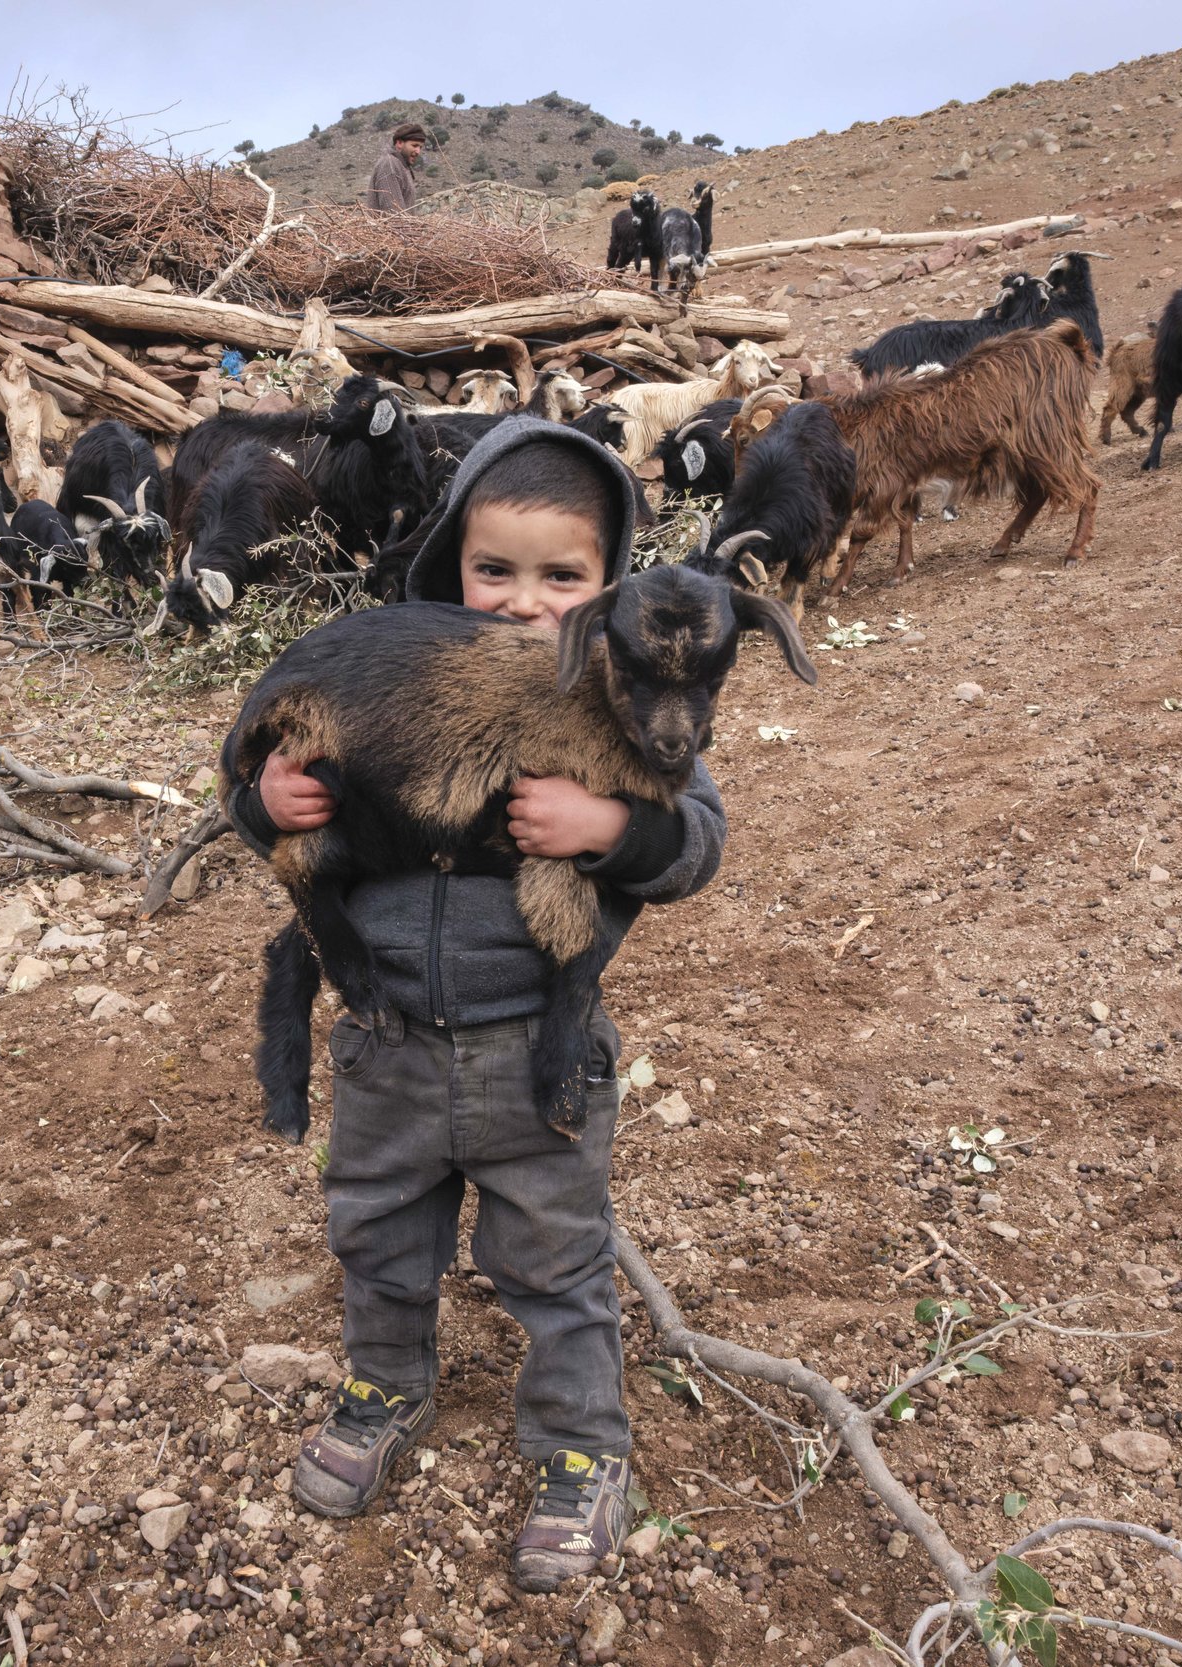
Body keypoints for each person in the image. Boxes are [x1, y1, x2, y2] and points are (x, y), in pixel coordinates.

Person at [225, 418, 726, 1591]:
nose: (520, 603)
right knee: (376, 1226)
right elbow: (259, 772)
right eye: (492, 570)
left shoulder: (634, 695)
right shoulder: (398, 679)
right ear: (450, 558)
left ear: (614, 591)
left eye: (562, 578)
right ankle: (382, 1385)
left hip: (526, 1042)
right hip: (388, 1032)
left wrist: (615, 828)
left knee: (552, 1251)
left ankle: (578, 1444)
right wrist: (269, 800)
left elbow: (696, 839)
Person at [365, 121, 427, 214]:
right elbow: (394, 215)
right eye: (414, 145)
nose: (418, 151)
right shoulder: (389, 165)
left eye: (420, 147)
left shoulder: (402, 166)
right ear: (399, 143)